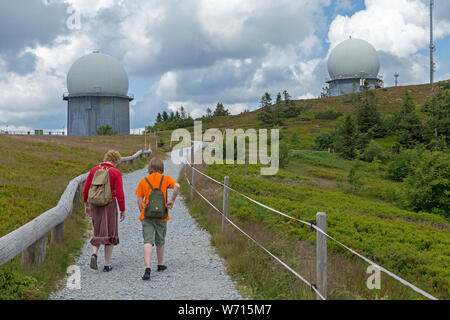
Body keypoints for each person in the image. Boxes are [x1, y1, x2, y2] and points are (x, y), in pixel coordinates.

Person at [135, 158, 180, 281]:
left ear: (150, 168)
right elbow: (177, 186)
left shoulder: (144, 181)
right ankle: (160, 265)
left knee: (147, 241)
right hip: (162, 215)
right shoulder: (165, 179)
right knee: (160, 240)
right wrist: (172, 201)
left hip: (147, 216)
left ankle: (147, 267)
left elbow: (139, 200)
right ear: (161, 168)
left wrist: (142, 212)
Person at [83, 150, 126, 272]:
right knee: (110, 233)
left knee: (97, 231)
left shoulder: (94, 170)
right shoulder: (115, 172)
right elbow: (120, 194)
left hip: (95, 205)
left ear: (106, 158)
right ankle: (106, 265)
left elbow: (86, 190)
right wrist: (122, 210)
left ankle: (94, 254)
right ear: (116, 161)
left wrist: (87, 205)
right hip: (109, 204)